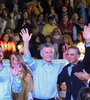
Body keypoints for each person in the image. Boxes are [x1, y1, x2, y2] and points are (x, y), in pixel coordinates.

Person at [20, 28, 64, 100]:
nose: (49, 54)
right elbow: (27, 58)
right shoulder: (36, 65)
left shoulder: (58, 67)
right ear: (41, 54)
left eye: (51, 52)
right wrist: (26, 42)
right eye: (46, 52)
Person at [58, 24, 90, 100]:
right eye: (67, 54)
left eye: (72, 54)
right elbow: (58, 80)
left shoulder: (83, 65)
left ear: (78, 56)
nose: (69, 56)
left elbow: (88, 56)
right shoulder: (65, 68)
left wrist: (88, 41)